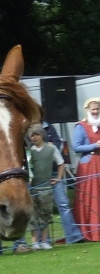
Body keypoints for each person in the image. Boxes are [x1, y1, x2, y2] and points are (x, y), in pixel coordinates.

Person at [34, 109, 84, 245]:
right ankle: (43, 241)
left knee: (63, 204)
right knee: (40, 209)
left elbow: (58, 146)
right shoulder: (28, 130)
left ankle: (73, 237)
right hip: (39, 178)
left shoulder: (50, 128)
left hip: (56, 173)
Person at [28, 124, 64, 250]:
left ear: (42, 135)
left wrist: (59, 177)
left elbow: (60, 163)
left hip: (45, 187)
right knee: (33, 215)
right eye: (32, 135)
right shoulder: (29, 152)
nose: (34, 138)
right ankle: (34, 242)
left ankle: (44, 241)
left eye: (36, 135)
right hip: (32, 188)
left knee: (45, 213)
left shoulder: (51, 148)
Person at [73, 97, 100, 241]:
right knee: (90, 197)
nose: (95, 112)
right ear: (88, 110)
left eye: (97, 109)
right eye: (93, 109)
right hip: (89, 165)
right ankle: (90, 231)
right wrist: (94, 146)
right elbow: (76, 147)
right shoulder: (81, 126)